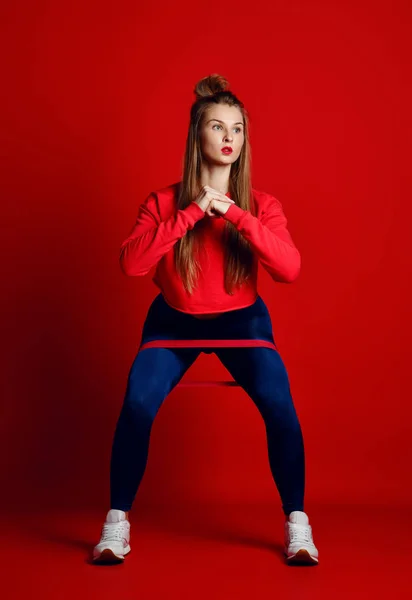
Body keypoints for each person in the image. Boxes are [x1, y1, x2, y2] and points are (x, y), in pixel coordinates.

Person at [93, 74, 319, 566]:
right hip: (175, 321)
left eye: (236, 129)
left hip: (242, 322)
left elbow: (290, 270)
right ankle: (116, 526)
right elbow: (131, 265)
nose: (228, 137)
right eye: (217, 127)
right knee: (136, 405)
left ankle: (297, 525)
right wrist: (192, 212)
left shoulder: (263, 205)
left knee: (281, 410)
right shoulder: (160, 202)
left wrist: (236, 215)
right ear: (197, 136)